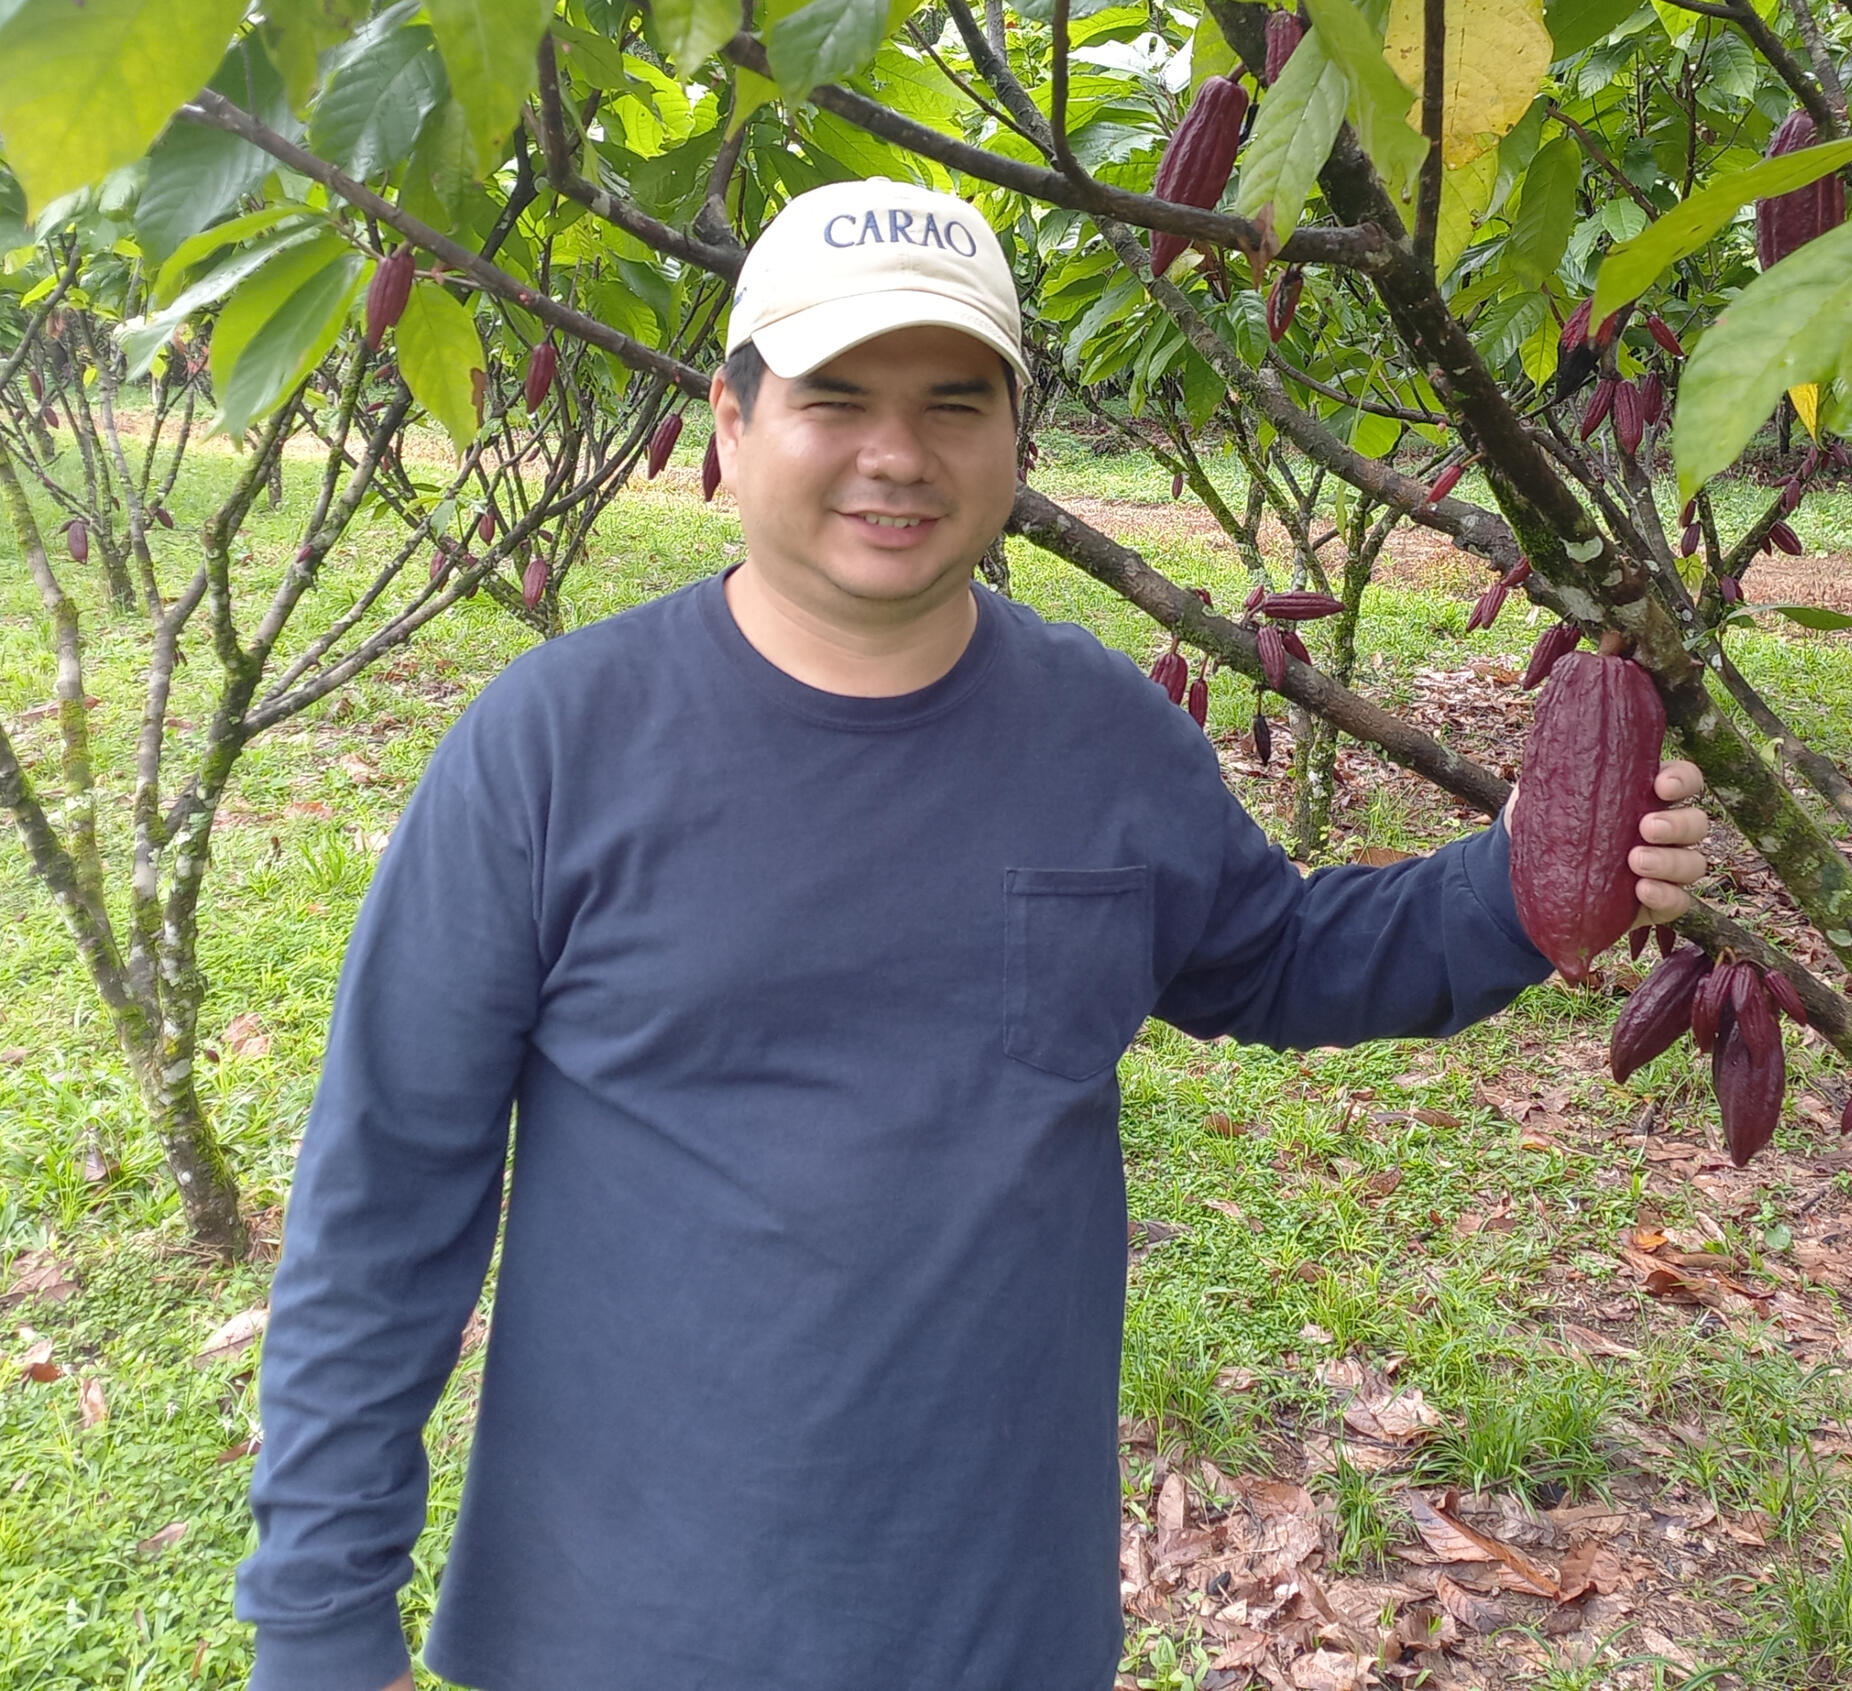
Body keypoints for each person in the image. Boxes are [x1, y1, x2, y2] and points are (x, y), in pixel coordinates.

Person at [234, 177, 1709, 1691]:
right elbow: (387, 1191)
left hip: (991, 1612)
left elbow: (1274, 958)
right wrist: (318, 1619)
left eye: (953, 402)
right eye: (834, 399)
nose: (896, 454)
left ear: (1015, 440)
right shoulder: (550, 747)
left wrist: (1526, 878)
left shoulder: (1104, 738)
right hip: (624, 1611)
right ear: (731, 427)